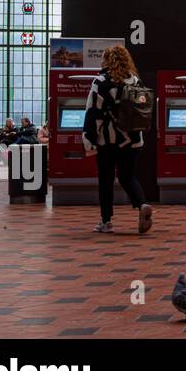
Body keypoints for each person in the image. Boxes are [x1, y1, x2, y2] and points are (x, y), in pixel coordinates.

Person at [81, 45, 153, 235]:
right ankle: (142, 204)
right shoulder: (134, 80)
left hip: (109, 141)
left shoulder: (101, 81)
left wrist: (89, 138)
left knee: (105, 180)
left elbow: (93, 112)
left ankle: (106, 222)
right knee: (127, 177)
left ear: (106, 60)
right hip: (134, 139)